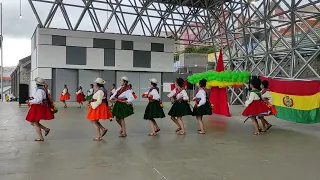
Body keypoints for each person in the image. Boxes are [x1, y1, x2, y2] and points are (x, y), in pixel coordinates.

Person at [25, 77, 54, 141]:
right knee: (33, 122)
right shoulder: (43, 89)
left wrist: (29, 101)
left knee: (35, 123)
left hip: (37, 107)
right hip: (39, 107)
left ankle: (40, 137)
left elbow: (38, 100)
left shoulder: (40, 90)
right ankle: (46, 129)